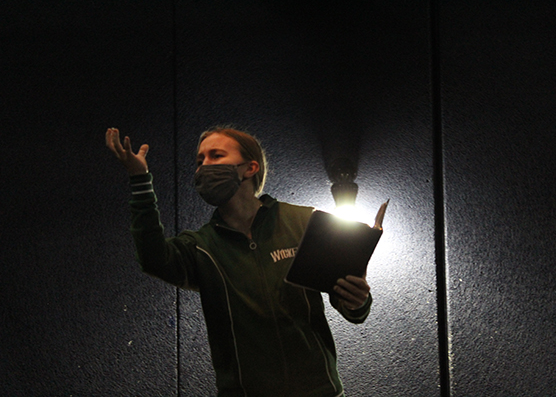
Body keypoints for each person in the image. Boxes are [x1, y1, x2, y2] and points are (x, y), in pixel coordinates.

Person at [105, 126, 372, 397]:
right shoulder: (201, 247)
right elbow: (153, 259)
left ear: (250, 168)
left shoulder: (303, 222)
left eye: (216, 156)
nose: (203, 167)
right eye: (200, 161)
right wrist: (140, 178)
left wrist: (358, 301)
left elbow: (350, 304)